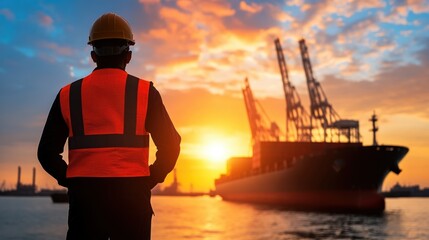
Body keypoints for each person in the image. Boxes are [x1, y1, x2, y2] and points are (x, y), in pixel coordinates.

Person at [37, 12, 180, 240]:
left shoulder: (68, 94)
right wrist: (150, 178)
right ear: (129, 55)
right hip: (133, 196)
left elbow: (45, 153)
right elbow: (171, 145)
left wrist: (71, 178)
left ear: (93, 55)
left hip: (85, 198)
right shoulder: (145, 92)